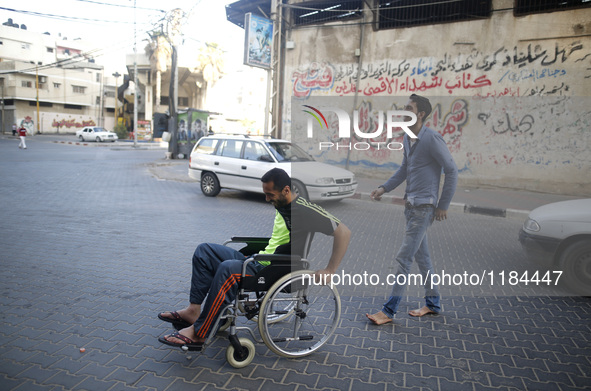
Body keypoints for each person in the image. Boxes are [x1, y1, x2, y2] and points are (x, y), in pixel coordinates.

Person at [158, 168, 351, 349]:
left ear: (286, 190)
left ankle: (200, 333)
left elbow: (344, 232)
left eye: (270, 195)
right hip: (259, 259)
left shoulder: (306, 210)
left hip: (274, 268)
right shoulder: (283, 203)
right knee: (204, 251)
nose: (267, 199)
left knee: (227, 270)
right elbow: (277, 240)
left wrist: (330, 269)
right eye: (265, 194)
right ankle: (193, 310)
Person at [366, 94, 457, 325]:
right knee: (422, 258)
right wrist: (383, 188)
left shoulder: (432, 138)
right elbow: (404, 170)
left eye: (409, 108)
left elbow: (452, 170)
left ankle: (388, 310)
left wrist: (443, 205)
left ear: (420, 114)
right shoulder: (408, 139)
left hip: (424, 208)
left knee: (403, 259)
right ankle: (433, 303)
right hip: (410, 207)